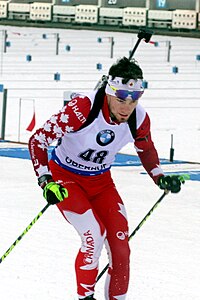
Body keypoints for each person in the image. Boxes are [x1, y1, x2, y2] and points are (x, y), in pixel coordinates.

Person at [28, 57, 184, 300]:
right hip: (65, 179)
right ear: (109, 92)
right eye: (121, 99)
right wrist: (45, 181)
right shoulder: (82, 108)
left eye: (134, 100)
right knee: (93, 235)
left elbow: (146, 149)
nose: (127, 107)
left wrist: (160, 177)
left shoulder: (138, 117)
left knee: (121, 248)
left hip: (101, 183)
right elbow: (38, 139)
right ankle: (85, 297)